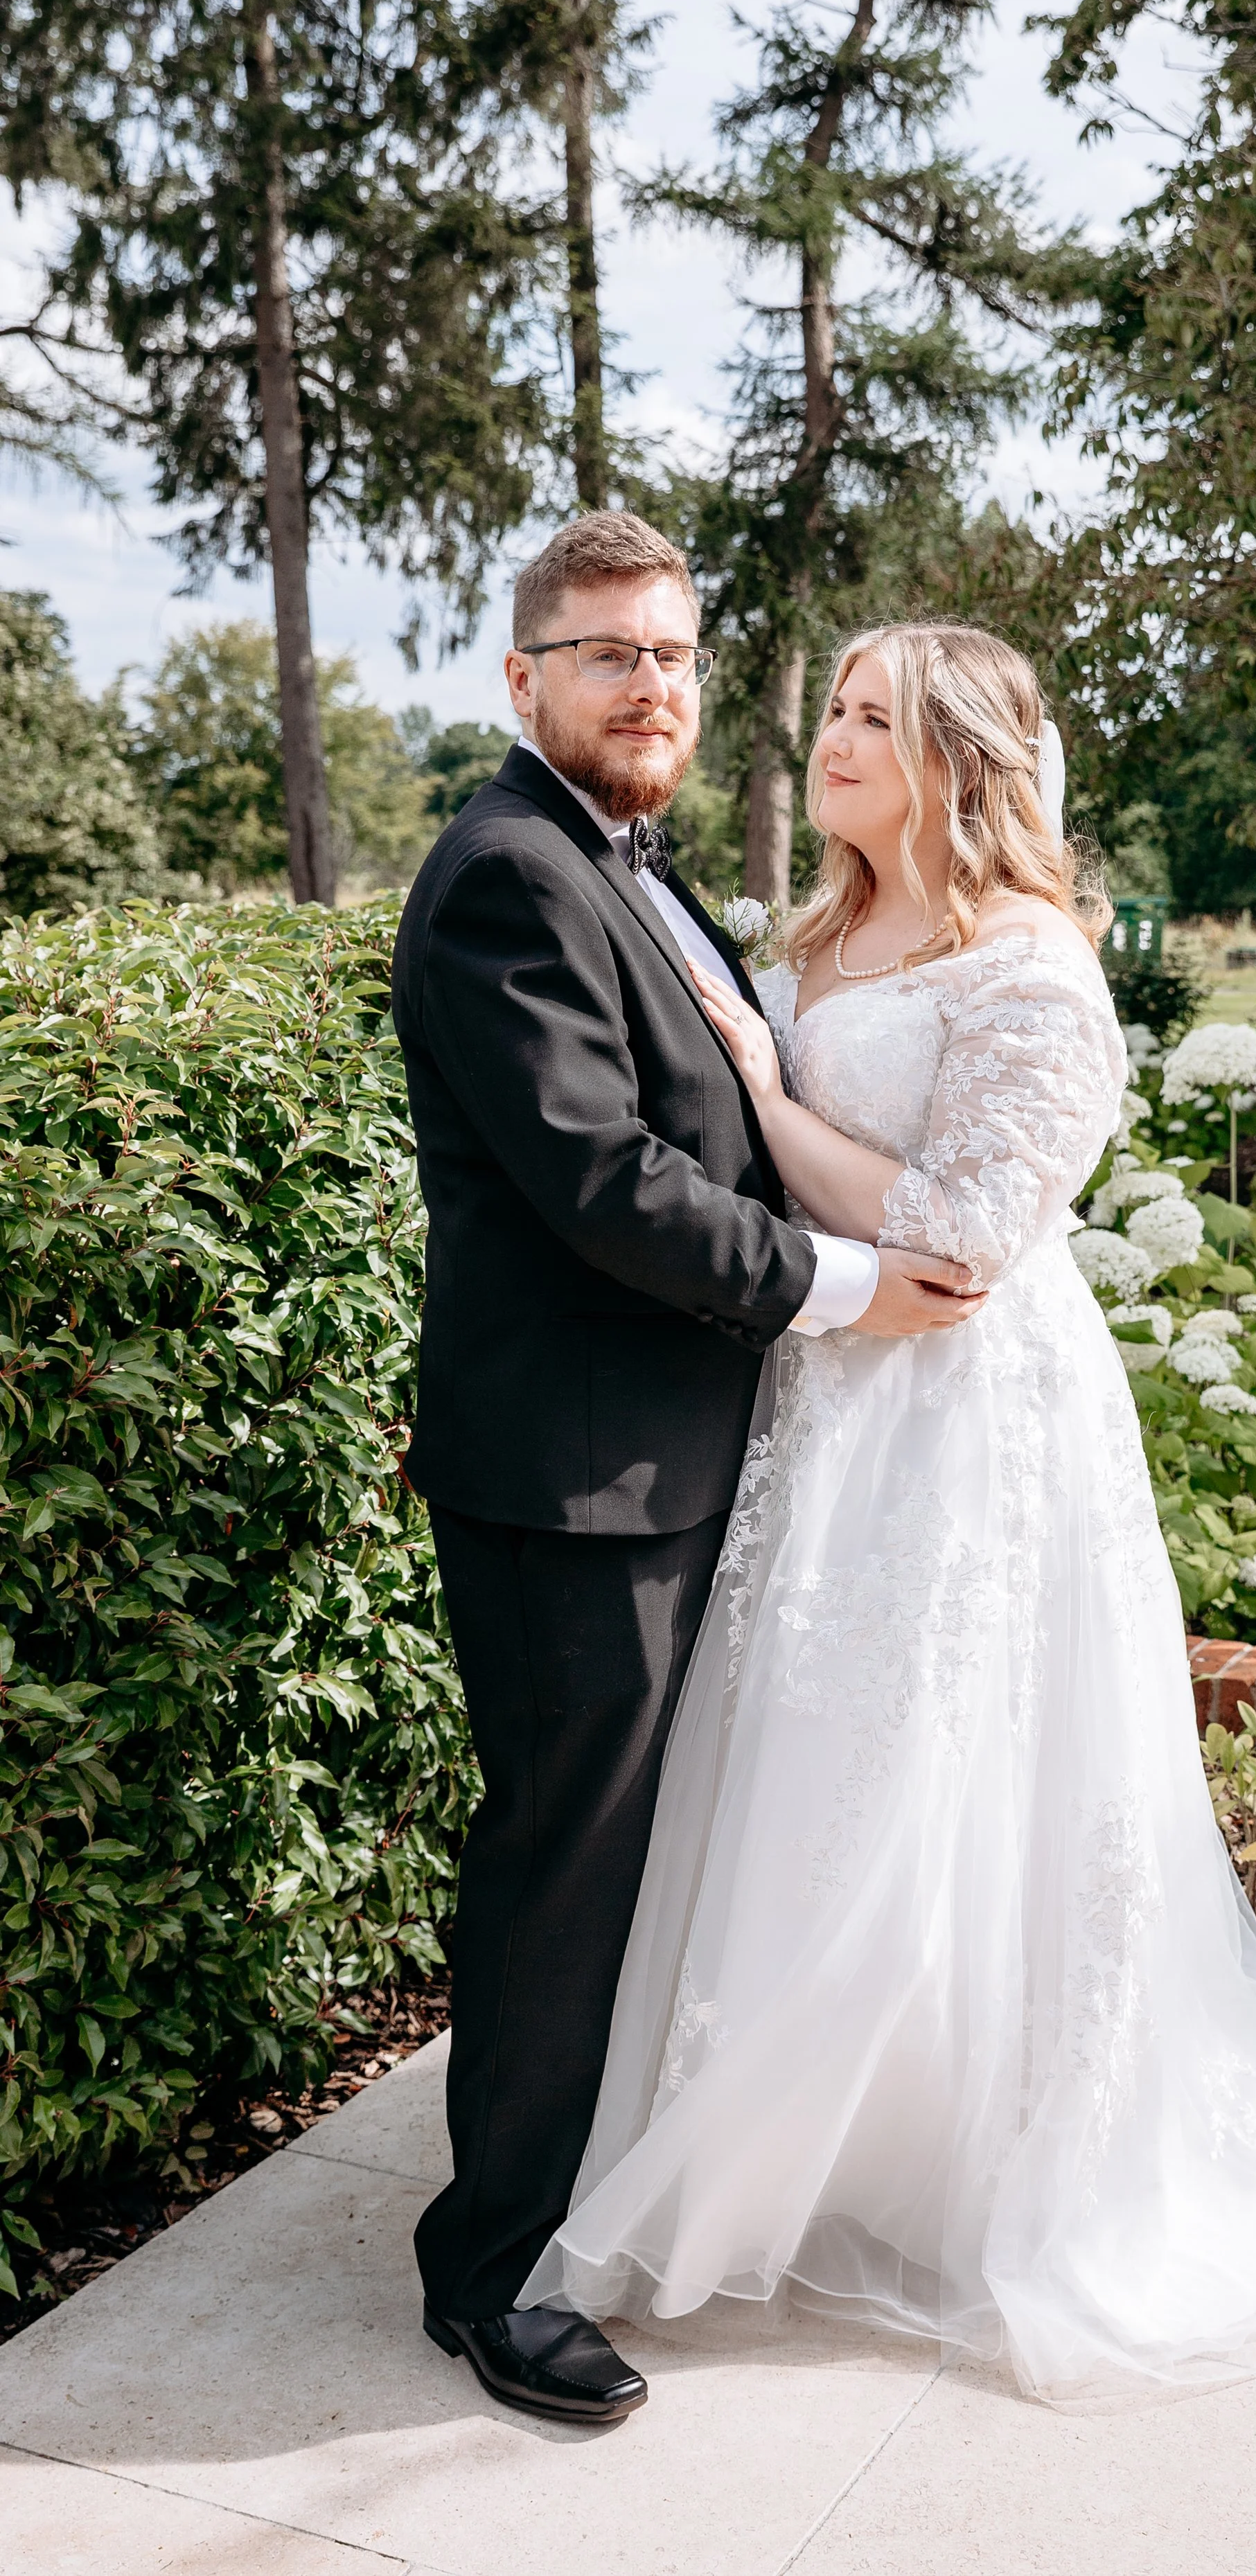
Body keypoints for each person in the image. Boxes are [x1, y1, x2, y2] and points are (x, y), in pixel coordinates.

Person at [515, 618, 1256, 2404]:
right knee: (811, 1764)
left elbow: (968, 1237)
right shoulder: (826, 933)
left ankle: (982, 2156)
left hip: (967, 1408)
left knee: (954, 1766)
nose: (828, 738)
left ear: (953, 756)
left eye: (868, 717)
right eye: (828, 708)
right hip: (824, 1391)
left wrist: (768, 1097)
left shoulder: (1034, 962)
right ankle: (796, 2135)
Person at [391, 517, 984, 2426]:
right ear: (521, 679)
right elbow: (604, 1187)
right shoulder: (503, 877)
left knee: (633, 1868)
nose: (650, 685)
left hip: (670, 1454)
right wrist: (844, 1291)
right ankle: (488, 2274)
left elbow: (725, 1112)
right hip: (572, 1476)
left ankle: (574, 2198)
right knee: (563, 1870)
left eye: (671, 653)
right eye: (604, 654)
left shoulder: (623, 868)